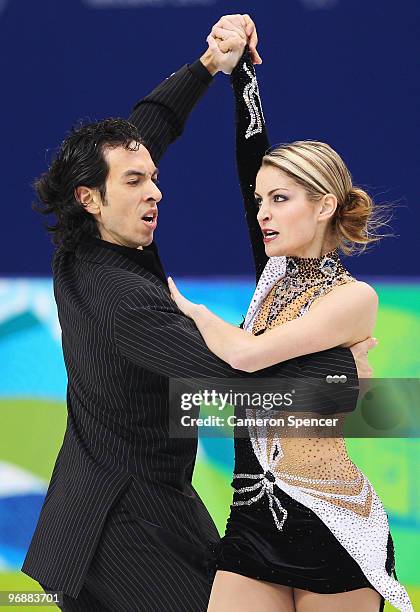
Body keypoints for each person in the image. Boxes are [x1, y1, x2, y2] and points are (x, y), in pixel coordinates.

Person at [22, 14, 373, 612]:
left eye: (152, 176)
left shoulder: (90, 234)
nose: (155, 190)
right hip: (126, 530)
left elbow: (148, 127)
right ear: (92, 198)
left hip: (107, 514)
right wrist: (349, 369)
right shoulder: (121, 296)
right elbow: (234, 379)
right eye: (137, 181)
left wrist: (210, 65)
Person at [168, 16, 413, 612]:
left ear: (324, 205)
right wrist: (241, 75)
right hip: (251, 524)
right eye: (260, 201)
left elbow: (245, 357)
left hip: (331, 524)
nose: (264, 213)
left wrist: (187, 308)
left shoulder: (355, 299)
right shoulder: (274, 277)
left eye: (281, 199)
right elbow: (250, 156)